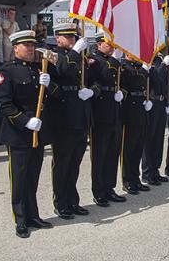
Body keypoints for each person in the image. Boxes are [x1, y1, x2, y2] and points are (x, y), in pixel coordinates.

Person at [0, 30, 53, 239]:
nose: (30, 49)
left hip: (37, 132)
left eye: (32, 45)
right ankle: (20, 220)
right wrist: (25, 121)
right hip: (18, 133)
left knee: (32, 177)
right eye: (26, 45)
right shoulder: (7, 71)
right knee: (19, 179)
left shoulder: (39, 69)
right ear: (15, 48)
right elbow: (3, 105)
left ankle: (33, 215)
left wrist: (48, 84)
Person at [44, 23, 92, 218]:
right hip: (63, 116)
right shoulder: (52, 55)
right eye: (68, 37)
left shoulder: (79, 57)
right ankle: (60, 202)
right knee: (62, 162)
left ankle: (73, 200)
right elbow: (62, 69)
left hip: (79, 114)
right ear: (58, 38)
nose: (72, 40)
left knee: (75, 162)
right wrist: (75, 51)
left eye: (74, 37)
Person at [88, 32, 126, 206]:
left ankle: (110, 188)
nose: (111, 46)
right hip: (101, 114)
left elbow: (119, 82)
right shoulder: (94, 61)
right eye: (107, 42)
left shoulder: (112, 61)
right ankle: (99, 191)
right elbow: (101, 77)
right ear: (98, 44)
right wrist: (114, 60)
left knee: (113, 153)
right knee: (100, 155)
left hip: (114, 113)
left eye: (112, 42)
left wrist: (121, 93)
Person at [121, 55, 152, 194]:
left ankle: (135, 179)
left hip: (140, 108)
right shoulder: (124, 67)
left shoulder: (138, 68)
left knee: (138, 148)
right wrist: (145, 70)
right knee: (128, 149)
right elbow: (134, 81)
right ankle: (127, 180)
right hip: (130, 110)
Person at [142, 53, 169, 185]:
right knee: (150, 139)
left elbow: (167, 83)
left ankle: (155, 170)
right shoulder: (149, 59)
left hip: (161, 104)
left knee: (159, 139)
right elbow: (156, 78)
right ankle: (147, 172)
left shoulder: (160, 60)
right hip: (152, 105)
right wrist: (164, 65)